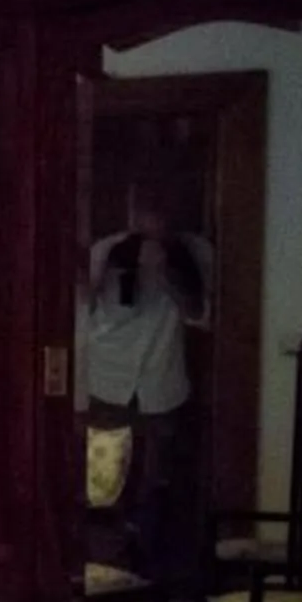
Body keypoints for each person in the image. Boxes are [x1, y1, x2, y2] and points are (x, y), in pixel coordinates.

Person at [79, 194, 213, 579]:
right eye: (144, 212)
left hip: (162, 380)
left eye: (160, 212)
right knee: (104, 476)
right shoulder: (109, 249)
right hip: (108, 376)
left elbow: (202, 316)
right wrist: (110, 270)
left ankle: (149, 566)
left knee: (157, 477)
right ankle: (107, 563)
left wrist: (170, 272)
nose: (152, 222)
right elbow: (82, 306)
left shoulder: (194, 251)